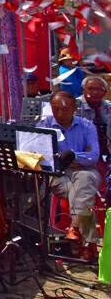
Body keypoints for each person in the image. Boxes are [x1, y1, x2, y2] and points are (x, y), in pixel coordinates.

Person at [39, 91, 102, 259]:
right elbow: (42, 157)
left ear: (74, 108)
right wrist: (76, 157)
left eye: (64, 109)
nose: (59, 113)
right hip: (58, 175)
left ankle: (75, 229)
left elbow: (94, 155)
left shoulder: (87, 126)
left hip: (86, 171)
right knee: (84, 188)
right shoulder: (44, 126)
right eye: (55, 109)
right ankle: (88, 243)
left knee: (84, 178)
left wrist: (70, 155)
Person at [78, 76, 111, 160]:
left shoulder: (109, 107)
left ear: (105, 92)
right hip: (83, 153)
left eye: (100, 89)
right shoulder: (74, 106)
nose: (95, 92)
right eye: (90, 89)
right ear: (83, 90)